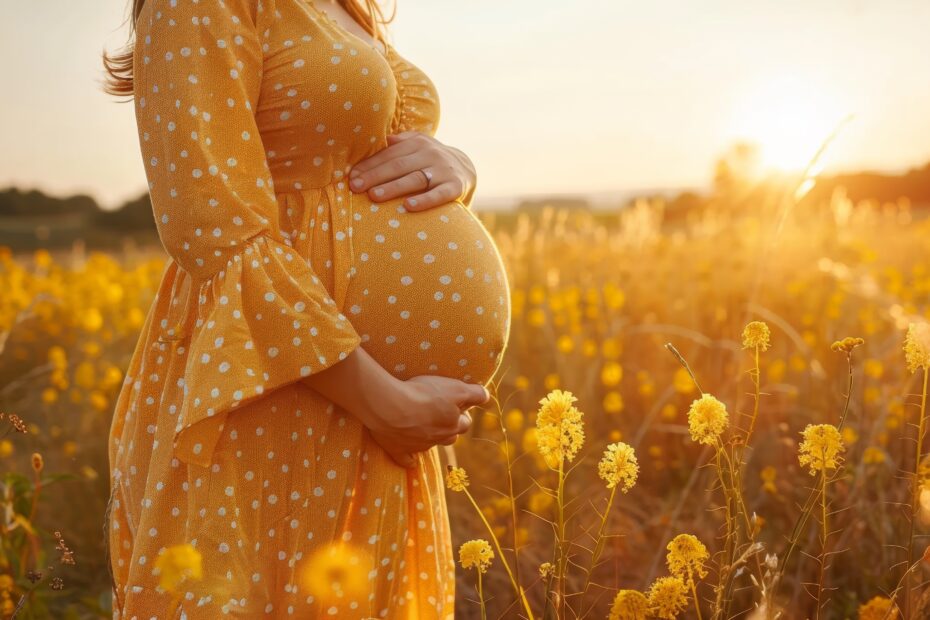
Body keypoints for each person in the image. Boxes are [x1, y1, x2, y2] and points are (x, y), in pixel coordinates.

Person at [101, 0, 512, 617]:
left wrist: (458, 165)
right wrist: (383, 400)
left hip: (366, 417)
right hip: (279, 387)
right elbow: (212, 227)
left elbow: (377, 145)